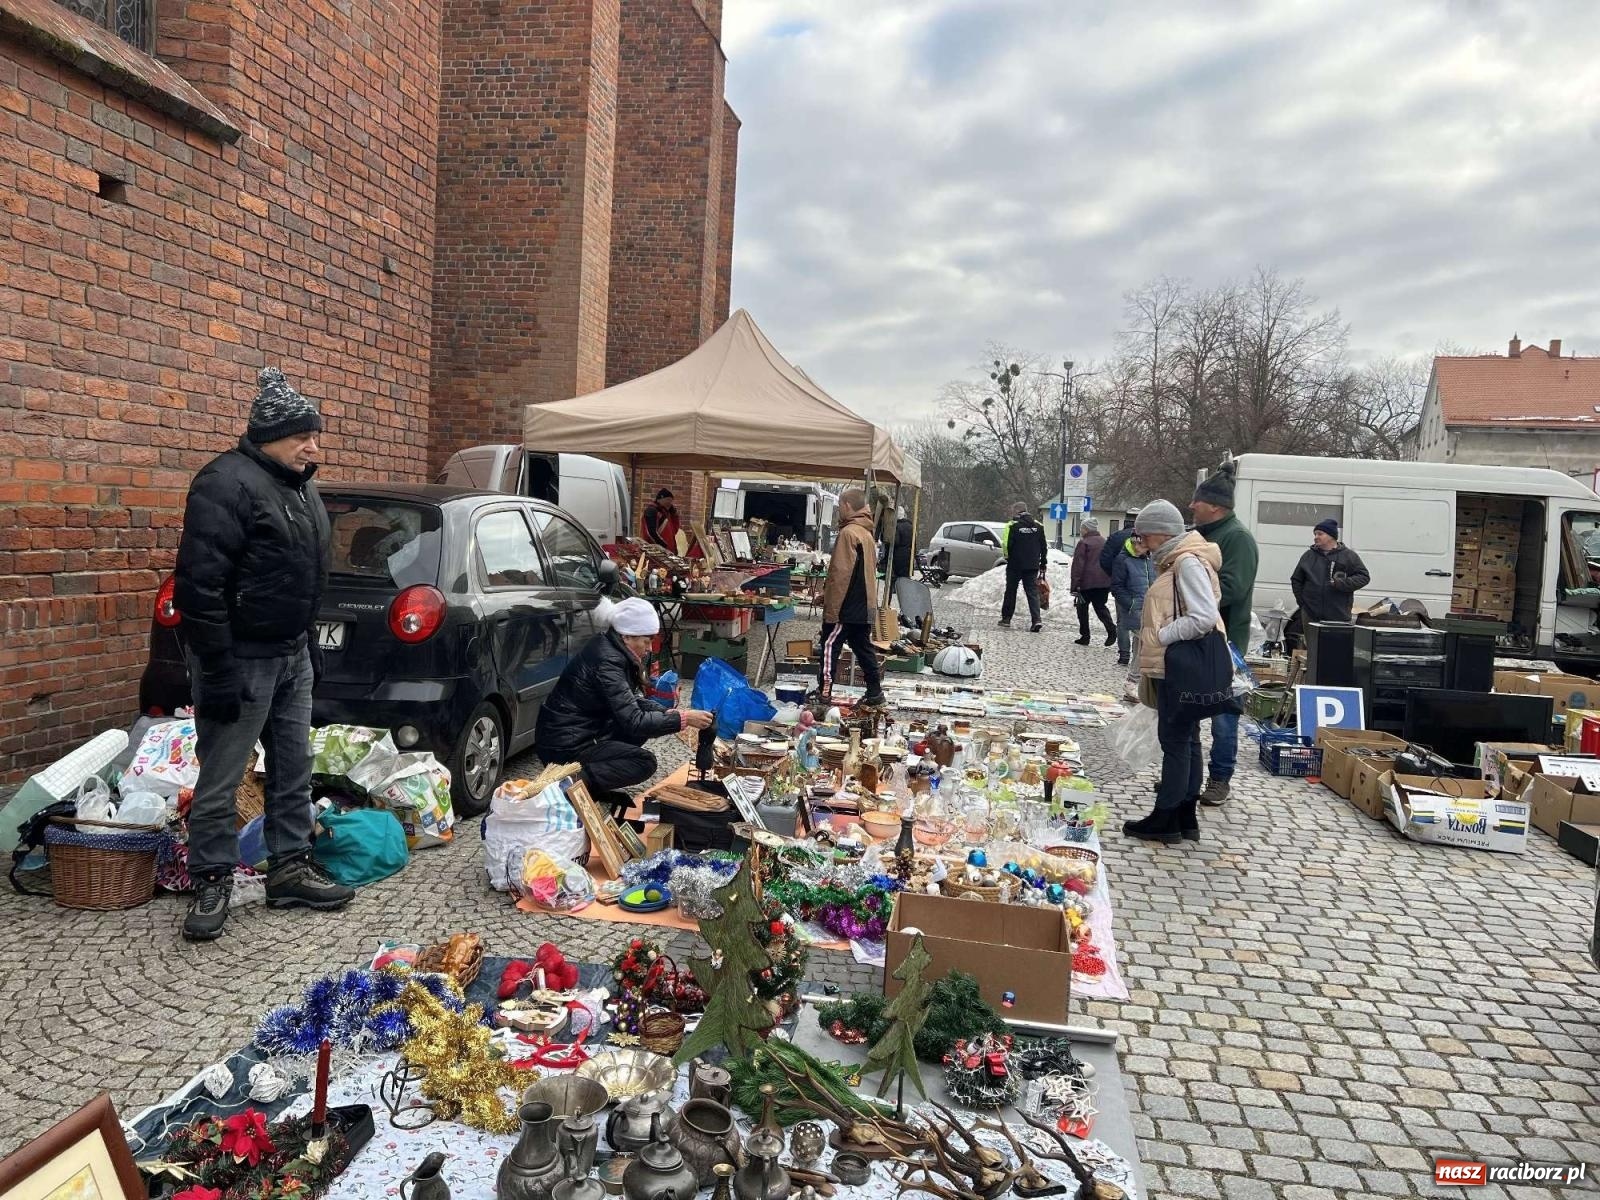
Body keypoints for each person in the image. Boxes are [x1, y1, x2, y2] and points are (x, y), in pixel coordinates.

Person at [172, 367, 355, 942]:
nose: (313, 445)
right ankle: (211, 878)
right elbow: (199, 587)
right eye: (303, 435)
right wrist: (218, 670)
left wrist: (308, 642)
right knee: (223, 776)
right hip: (240, 658)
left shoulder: (301, 487)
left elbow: (306, 575)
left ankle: (290, 868)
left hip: (290, 653)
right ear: (269, 433)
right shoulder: (224, 484)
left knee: (293, 766)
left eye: (315, 435)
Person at [536, 597, 715, 815]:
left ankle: (590, 784)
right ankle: (567, 784)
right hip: (564, 745)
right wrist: (683, 719)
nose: (650, 648)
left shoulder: (611, 648)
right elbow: (634, 720)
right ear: (627, 636)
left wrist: (666, 713)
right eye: (647, 641)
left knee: (639, 731)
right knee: (644, 762)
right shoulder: (608, 661)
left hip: (577, 732)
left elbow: (629, 701)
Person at [1121, 500, 1226, 845]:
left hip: (1179, 666)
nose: (1141, 542)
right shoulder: (1182, 561)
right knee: (1188, 740)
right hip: (1180, 665)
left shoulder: (1186, 563)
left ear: (1159, 532)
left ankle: (1166, 817)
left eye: (1143, 535)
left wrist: (1162, 636)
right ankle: (1184, 815)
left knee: (1177, 742)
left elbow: (1203, 617)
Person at [1190, 463, 1258, 808]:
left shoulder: (1238, 539)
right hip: (1195, 640)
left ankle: (1219, 779)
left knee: (1224, 716)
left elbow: (1230, 589)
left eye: (1197, 502)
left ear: (1215, 506)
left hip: (1225, 643)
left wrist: (1187, 594)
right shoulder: (1201, 534)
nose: (1192, 506)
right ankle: (1186, 775)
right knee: (1185, 711)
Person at [819, 489, 886, 707]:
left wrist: (831, 605)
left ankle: (824, 692)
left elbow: (841, 573)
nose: (839, 508)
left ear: (847, 505)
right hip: (864, 603)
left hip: (846, 605)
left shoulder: (849, 533)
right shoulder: (867, 533)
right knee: (863, 647)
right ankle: (875, 692)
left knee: (830, 645)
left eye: (840, 504)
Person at [1291, 518, 1371, 625]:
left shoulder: (1348, 556)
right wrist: (1303, 604)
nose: (1316, 537)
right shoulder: (1308, 556)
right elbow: (1296, 580)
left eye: (1320, 534)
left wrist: (1341, 583)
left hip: (1338, 615)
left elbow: (1364, 577)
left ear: (1331, 536)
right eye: (1315, 534)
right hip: (1310, 615)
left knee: (1334, 642)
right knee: (1312, 642)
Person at [1108, 514, 1156, 667]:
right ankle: (1125, 657)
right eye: (1135, 543)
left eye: (1141, 544)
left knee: (1142, 644)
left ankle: (1135, 676)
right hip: (1132, 606)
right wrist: (1131, 603)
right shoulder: (1123, 559)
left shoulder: (1150, 559)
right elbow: (1116, 586)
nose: (1138, 547)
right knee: (1126, 629)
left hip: (1148, 608)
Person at [998, 502, 1048, 632]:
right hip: (1032, 565)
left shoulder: (1012, 526)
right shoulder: (1038, 526)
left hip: (1015, 565)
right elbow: (1044, 546)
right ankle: (1036, 620)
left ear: (1016, 512)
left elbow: (1006, 544)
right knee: (1032, 593)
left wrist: (1008, 558)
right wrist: (1043, 563)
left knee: (1011, 591)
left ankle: (1006, 619)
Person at [1069, 519, 1117, 646]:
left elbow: (1078, 566)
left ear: (1086, 529)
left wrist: (1075, 585)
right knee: (1100, 607)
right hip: (1103, 582)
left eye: (1082, 528)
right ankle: (1111, 630)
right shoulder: (1104, 542)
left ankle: (1085, 636)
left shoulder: (1083, 543)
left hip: (1085, 584)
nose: (1080, 530)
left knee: (1081, 609)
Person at [890, 510, 914, 585]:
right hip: (909, 553)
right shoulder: (911, 526)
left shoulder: (897, 526)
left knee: (898, 573)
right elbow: (914, 542)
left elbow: (896, 541)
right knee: (906, 574)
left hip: (899, 554)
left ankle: (897, 587)